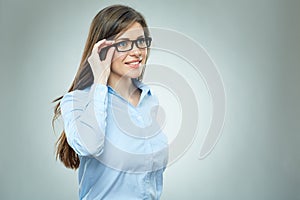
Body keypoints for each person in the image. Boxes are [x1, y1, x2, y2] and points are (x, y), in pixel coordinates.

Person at [52, 4, 169, 200]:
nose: (137, 52)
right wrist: (100, 77)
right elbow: (90, 145)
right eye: (123, 44)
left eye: (141, 41)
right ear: (102, 49)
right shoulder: (76, 101)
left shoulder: (149, 99)